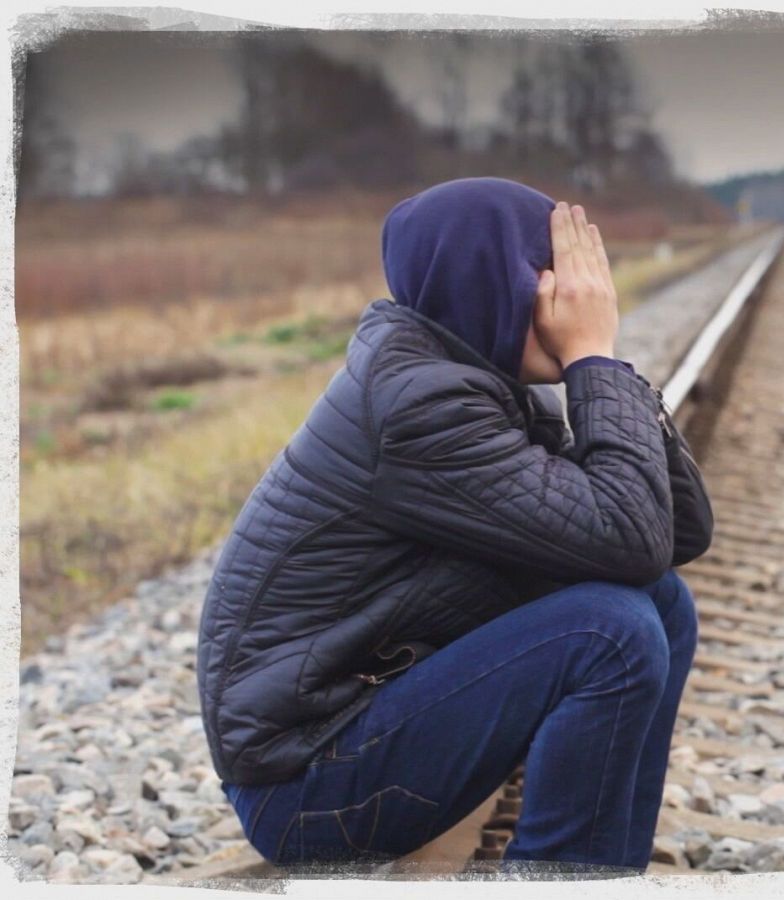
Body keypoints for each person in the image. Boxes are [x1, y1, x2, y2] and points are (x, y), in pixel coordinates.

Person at [194, 177, 713, 873]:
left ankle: (604, 872)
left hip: (354, 727)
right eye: (555, 278)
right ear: (490, 283)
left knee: (658, 603)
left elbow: (676, 534)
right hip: (306, 785)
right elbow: (632, 534)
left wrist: (606, 365)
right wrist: (592, 359)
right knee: (608, 631)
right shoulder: (422, 406)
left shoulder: (464, 378)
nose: (573, 300)